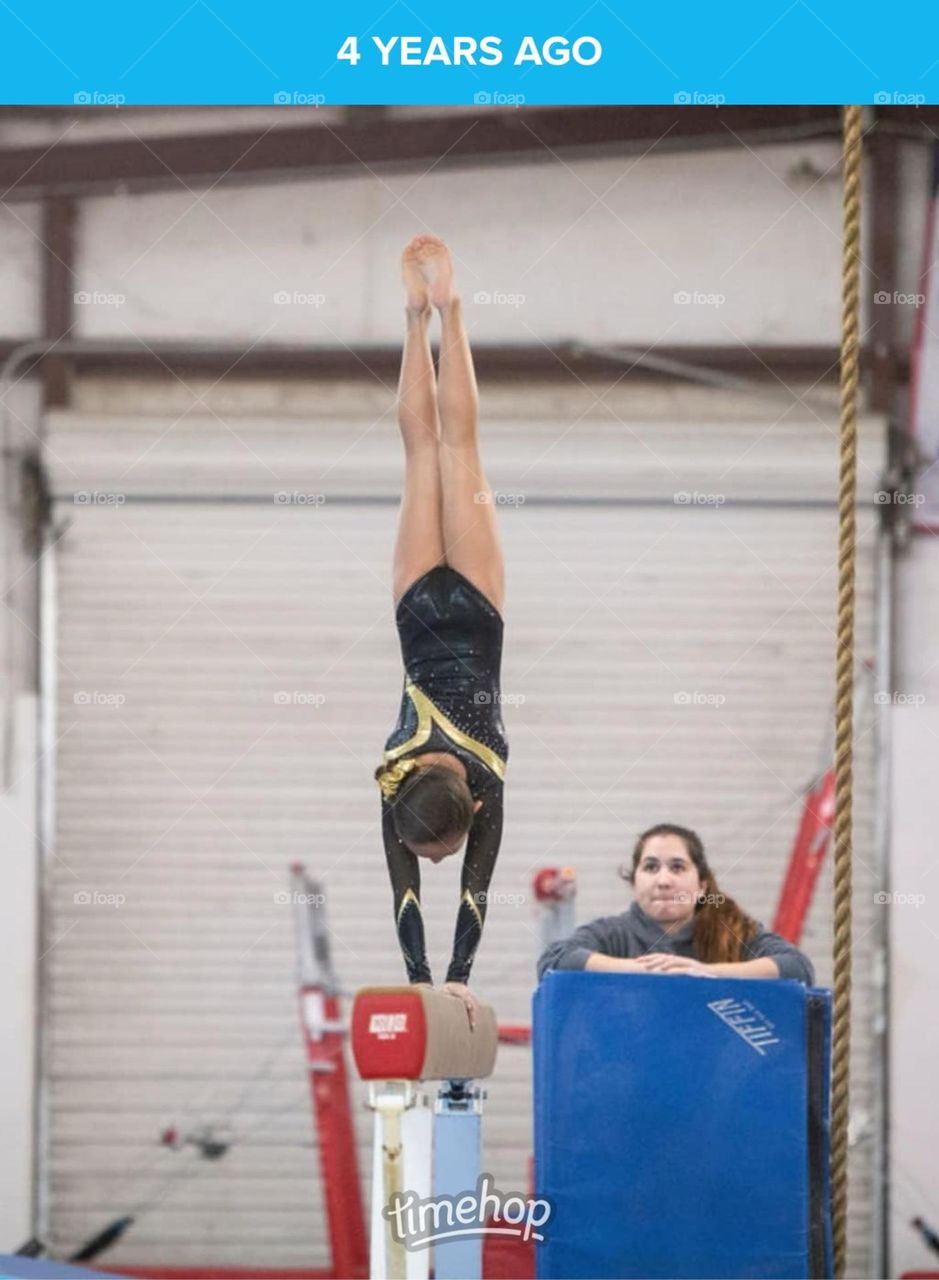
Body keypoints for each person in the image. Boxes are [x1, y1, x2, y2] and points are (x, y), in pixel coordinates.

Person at [376, 234, 508, 1027]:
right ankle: (419, 314)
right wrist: (430, 979)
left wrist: (443, 978)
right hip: (419, 607)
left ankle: (443, 312)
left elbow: (473, 891)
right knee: (427, 449)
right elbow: (406, 893)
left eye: (436, 855)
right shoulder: (390, 779)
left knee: (449, 447)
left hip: (482, 609)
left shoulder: (486, 785)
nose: (439, 864)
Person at [537, 822, 814, 983]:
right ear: (634, 882)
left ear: (702, 885)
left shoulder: (732, 931)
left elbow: (797, 968)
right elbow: (554, 961)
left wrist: (704, 972)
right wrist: (641, 970)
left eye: (678, 867)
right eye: (651, 867)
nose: (664, 880)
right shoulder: (612, 933)